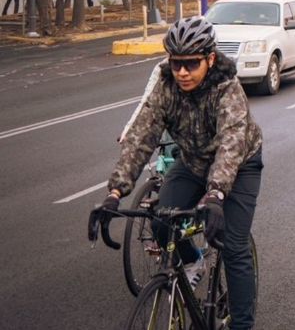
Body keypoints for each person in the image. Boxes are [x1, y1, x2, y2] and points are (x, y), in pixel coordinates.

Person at [101, 17, 262, 329]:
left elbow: (231, 145)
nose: (183, 73)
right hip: (192, 162)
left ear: (210, 59)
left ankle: (243, 324)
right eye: (176, 64)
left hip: (240, 165)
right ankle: (191, 260)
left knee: (233, 245)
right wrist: (115, 192)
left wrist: (215, 194)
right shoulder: (166, 87)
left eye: (191, 64)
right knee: (161, 219)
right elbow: (140, 139)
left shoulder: (227, 90)